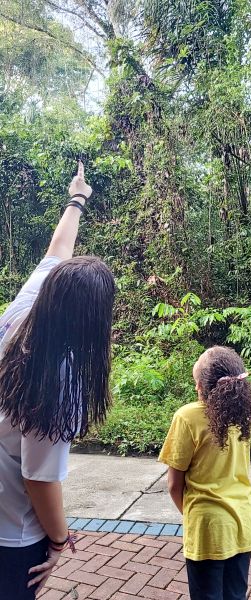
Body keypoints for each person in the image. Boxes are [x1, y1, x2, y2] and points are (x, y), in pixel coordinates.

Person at [0, 162, 115, 599]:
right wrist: (59, 539)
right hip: (12, 535)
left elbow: (58, 249)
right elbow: (39, 479)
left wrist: (77, 199)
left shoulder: (23, 310)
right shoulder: (60, 381)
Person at [159, 345, 251, 600]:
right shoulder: (242, 415)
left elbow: (174, 485)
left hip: (207, 527)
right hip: (243, 522)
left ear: (202, 386)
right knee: (236, 595)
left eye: (196, 381)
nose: (195, 386)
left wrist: (192, 516)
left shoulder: (187, 417)